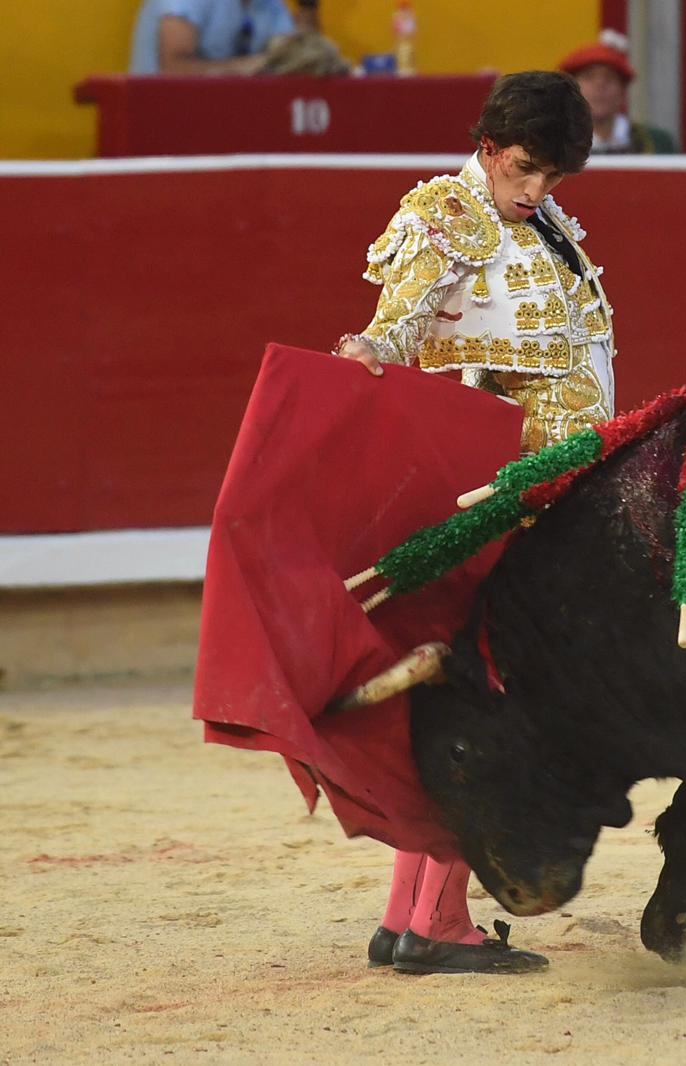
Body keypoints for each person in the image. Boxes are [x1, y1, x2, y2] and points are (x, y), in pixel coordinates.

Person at [335, 70, 616, 973]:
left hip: (538, 494)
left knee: (465, 696)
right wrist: (372, 349)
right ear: (489, 148)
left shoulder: (543, 224)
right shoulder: (449, 213)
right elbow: (398, 321)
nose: (538, 191)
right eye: (527, 169)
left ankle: (407, 916)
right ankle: (439, 924)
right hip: (497, 499)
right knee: (498, 701)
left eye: (555, 177)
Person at [559, 31, 678, 155]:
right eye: (589, 77)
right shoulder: (552, 143)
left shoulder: (656, 143)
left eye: (610, 78)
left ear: (623, 92)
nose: (600, 86)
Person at [129, 0, 315, 75]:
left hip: (223, 125)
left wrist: (308, 7)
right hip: (159, 121)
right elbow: (173, 68)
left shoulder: (270, 6)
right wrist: (245, 68)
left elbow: (300, 61)